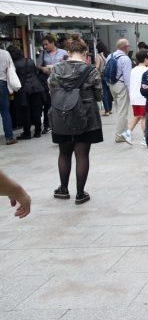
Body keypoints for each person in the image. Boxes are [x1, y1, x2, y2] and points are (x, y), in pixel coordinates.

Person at [50, 35, 103, 205]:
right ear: (85, 52)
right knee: (82, 155)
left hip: (62, 114)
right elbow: (99, 95)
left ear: (68, 51)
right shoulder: (91, 70)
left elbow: (51, 87)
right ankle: (80, 193)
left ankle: (63, 189)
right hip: (86, 117)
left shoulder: (57, 68)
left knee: (64, 153)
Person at [8, 45, 45, 140]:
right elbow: (35, 73)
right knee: (36, 110)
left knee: (25, 112)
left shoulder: (13, 65)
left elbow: (14, 79)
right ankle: (38, 131)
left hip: (23, 90)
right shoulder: (29, 60)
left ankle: (27, 133)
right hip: (36, 88)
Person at [37, 35, 68, 134]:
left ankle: (63, 123)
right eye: (43, 45)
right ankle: (47, 125)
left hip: (61, 81)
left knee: (62, 103)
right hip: (48, 82)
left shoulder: (63, 53)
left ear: (52, 43)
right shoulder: (42, 53)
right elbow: (38, 65)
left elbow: (69, 64)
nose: (45, 47)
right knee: (48, 104)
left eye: (46, 44)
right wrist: (43, 68)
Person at [108, 39, 133, 145]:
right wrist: (130, 91)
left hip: (111, 85)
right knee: (123, 111)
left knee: (119, 109)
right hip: (121, 85)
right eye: (128, 46)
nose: (129, 48)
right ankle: (120, 135)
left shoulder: (110, 56)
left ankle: (124, 130)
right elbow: (127, 77)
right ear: (124, 47)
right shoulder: (125, 59)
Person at [128, 50, 148, 146]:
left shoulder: (133, 70)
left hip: (134, 97)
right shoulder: (147, 70)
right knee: (144, 118)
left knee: (138, 116)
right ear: (145, 59)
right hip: (143, 97)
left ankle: (127, 133)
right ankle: (146, 138)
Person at [0, 47, 16, 145]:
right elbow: (11, 68)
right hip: (2, 83)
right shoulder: (5, 53)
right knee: (5, 112)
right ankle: (9, 138)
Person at [95, 41, 113, 116]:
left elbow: (97, 67)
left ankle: (107, 111)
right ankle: (110, 109)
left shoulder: (98, 56)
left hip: (102, 77)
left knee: (104, 94)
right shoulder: (108, 55)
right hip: (109, 76)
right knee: (109, 93)